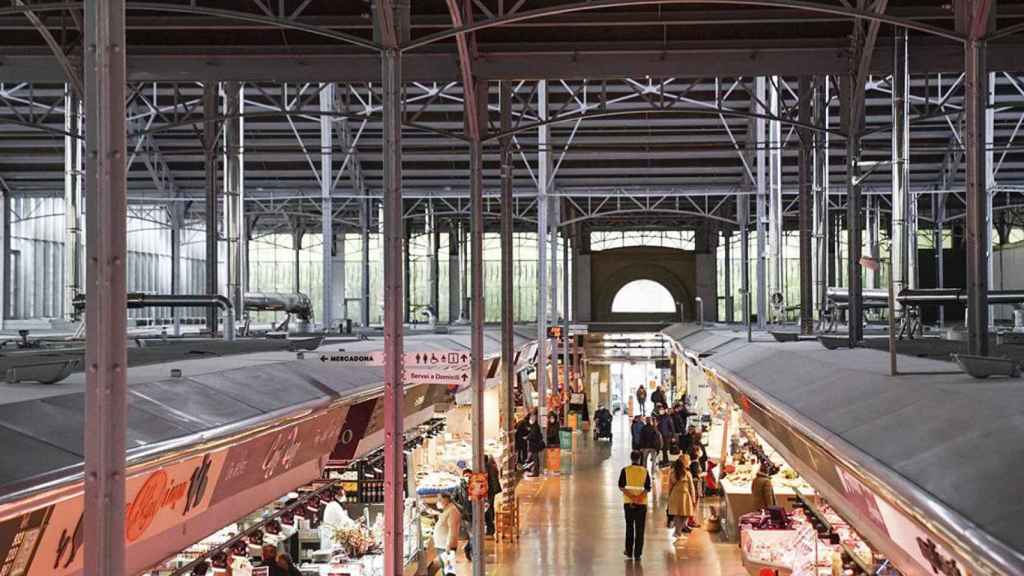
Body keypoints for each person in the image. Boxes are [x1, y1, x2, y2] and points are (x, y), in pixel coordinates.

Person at [618, 450, 652, 561]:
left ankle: (628, 551)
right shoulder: (645, 471)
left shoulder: (625, 470)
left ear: (631, 458)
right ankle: (638, 553)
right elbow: (647, 488)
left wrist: (632, 498)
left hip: (628, 503)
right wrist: (639, 498)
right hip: (642, 504)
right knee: (640, 528)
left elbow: (621, 486)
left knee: (629, 527)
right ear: (640, 459)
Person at [667, 453, 697, 541]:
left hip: (675, 495)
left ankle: (677, 532)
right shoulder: (687, 474)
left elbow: (670, 486)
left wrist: (669, 497)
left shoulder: (672, 472)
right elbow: (691, 487)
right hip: (684, 496)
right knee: (686, 514)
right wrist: (693, 497)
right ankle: (678, 532)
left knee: (678, 514)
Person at [433, 493, 462, 576]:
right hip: (442, 546)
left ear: (446, 499)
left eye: (440, 499)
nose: (438, 501)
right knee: (445, 570)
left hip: (446, 546)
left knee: (449, 572)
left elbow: (452, 529)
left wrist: (449, 546)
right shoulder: (447, 509)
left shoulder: (452, 510)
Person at [484, 454, 503, 535]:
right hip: (492, 492)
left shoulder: (488, 468)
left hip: (490, 492)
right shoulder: (491, 466)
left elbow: (493, 481)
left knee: (489, 510)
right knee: (489, 510)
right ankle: (490, 528)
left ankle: (490, 529)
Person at [526, 412, 545, 477]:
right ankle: (534, 471)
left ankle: (535, 472)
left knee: (535, 459)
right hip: (534, 445)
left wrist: (527, 437)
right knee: (534, 458)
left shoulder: (535, 426)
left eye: (532, 418)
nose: (531, 419)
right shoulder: (534, 426)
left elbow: (533, 435)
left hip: (534, 445)